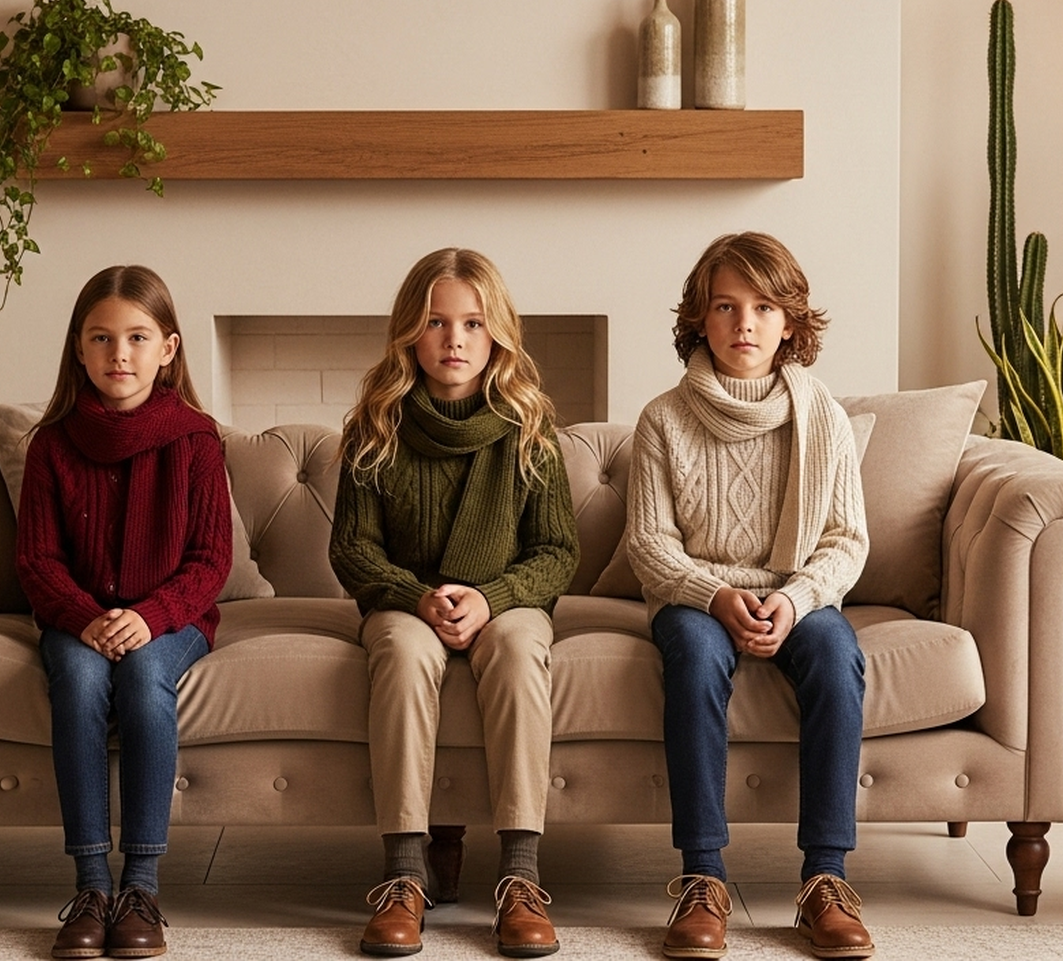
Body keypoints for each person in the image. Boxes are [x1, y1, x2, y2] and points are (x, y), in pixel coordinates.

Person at [626, 232, 872, 960]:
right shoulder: (663, 419)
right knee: (696, 660)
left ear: (791, 322)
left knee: (836, 653)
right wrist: (715, 595)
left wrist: (795, 602)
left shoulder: (821, 415)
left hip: (797, 594)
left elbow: (846, 540)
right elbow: (649, 547)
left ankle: (824, 881)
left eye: (764, 307)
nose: (745, 324)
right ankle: (703, 879)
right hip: (700, 599)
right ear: (699, 319)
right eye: (726, 307)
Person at [330, 248, 579, 958]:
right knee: (405, 657)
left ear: (497, 331)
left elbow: (558, 551)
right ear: (410, 330)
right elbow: (350, 551)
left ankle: (521, 878)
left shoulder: (531, 428)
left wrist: (492, 598)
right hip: (406, 602)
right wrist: (418, 596)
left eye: (473, 323)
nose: (455, 340)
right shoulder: (374, 427)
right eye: (437, 322)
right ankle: (405, 874)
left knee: (520, 650)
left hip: (506, 600)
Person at [16, 266, 233, 960]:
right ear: (78, 349)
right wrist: (85, 618)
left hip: (169, 621)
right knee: (79, 681)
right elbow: (37, 561)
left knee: (143, 680)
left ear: (168, 349)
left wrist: (150, 615)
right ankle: (90, 887)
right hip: (76, 619)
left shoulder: (196, 440)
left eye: (138, 337)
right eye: (101, 338)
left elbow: (209, 561)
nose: (119, 354)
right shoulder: (51, 444)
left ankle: (140, 885)